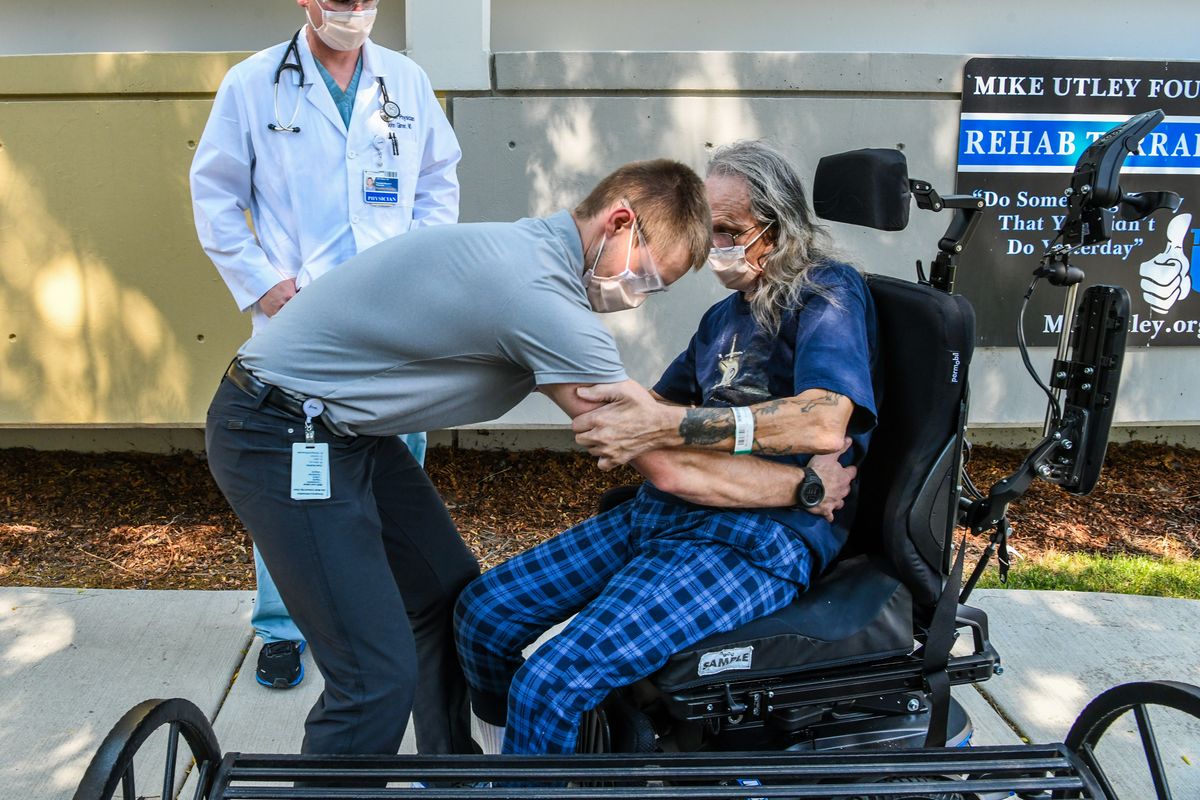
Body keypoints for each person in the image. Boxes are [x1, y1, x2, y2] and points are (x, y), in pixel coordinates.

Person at [206, 157, 827, 759]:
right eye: (646, 277)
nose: (637, 298)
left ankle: (447, 772)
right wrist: (806, 489)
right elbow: (665, 464)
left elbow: (654, 418)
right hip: (279, 432)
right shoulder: (541, 299)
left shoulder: (533, 254)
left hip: (346, 433)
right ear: (618, 223)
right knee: (373, 677)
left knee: (446, 598)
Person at [452, 139, 879, 756]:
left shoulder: (827, 293)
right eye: (712, 232)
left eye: (730, 230)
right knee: (484, 614)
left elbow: (822, 421)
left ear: (778, 227)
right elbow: (646, 409)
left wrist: (669, 428)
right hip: (667, 511)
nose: (718, 248)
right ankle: (500, 764)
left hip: (761, 538)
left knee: (551, 681)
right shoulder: (723, 320)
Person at [189, 0, 461, 692]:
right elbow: (215, 194)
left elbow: (436, 184)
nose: (353, 11)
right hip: (298, 321)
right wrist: (267, 286)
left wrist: (417, 272)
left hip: (390, 322)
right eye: (338, 1)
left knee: (395, 471)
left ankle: (397, 612)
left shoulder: (405, 81)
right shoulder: (252, 85)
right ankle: (282, 627)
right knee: (293, 480)